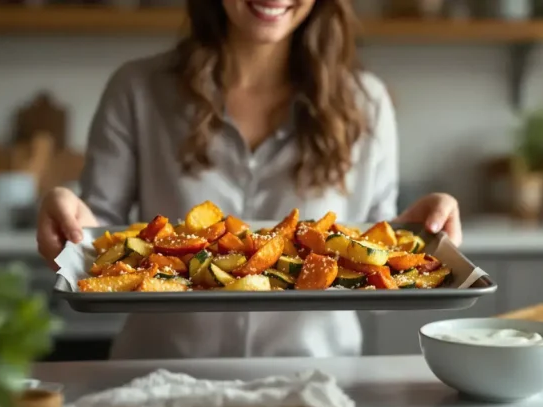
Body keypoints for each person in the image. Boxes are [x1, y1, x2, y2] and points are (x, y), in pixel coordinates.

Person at [37, 0, 462, 359]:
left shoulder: (367, 103)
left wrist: (417, 234)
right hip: (159, 378)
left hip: (318, 380)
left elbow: (376, 272)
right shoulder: (136, 89)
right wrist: (68, 217)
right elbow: (95, 243)